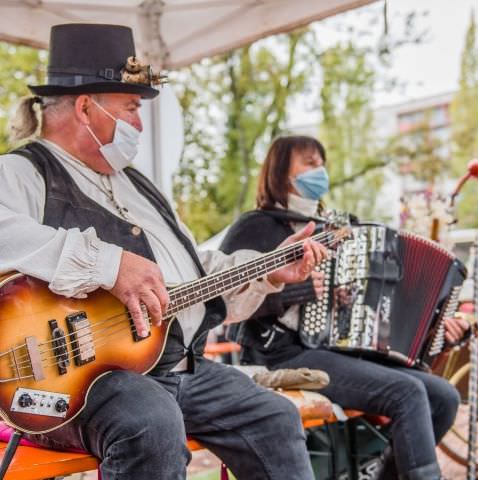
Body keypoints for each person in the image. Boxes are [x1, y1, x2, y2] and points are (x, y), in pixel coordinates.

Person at [0, 25, 328, 480]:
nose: (138, 123)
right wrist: (108, 264)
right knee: (150, 421)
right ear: (84, 107)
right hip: (82, 381)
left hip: (180, 368)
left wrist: (269, 270)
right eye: (131, 108)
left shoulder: (140, 187)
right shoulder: (22, 172)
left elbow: (193, 270)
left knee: (273, 416)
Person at [220, 135, 471, 480]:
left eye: (321, 164)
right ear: (280, 170)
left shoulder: (335, 226)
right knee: (407, 392)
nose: (318, 171)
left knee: (444, 396)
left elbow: (374, 298)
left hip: (334, 349)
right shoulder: (255, 227)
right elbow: (223, 301)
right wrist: (295, 291)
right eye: (309, 163)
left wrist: (433, 323)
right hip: (280, 353)